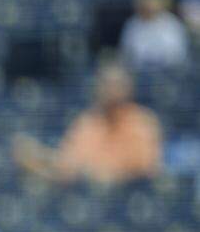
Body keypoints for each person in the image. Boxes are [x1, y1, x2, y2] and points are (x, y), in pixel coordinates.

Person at [12, 63, 162, 185]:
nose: (110, 90)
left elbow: (146, 169)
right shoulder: (87, 122)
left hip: (125, 202)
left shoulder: (142, 122)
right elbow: (68, 165)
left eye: (115, 84)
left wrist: (100, 173)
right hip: (88, 201)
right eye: (105, 83)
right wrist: (39, 156)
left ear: (128, 88)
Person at [120, 0, 189, 70]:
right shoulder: (132, 24)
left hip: (168, 77)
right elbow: (126, 57)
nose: (147, 4)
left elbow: (178, 58)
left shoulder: (173, 24)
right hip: (139, 75)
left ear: (161, 1)